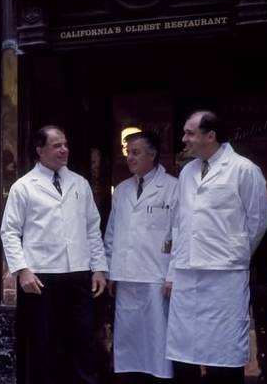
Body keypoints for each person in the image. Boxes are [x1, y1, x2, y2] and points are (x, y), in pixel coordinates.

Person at [166, 111, 267, 383]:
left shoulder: (243, 169)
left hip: (225, 275)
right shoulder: (188, 172)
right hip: (187, 272)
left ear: (210, 135)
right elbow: (179, 223)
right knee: (184, 349)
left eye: (190, 133)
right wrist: (172, 271)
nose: (184, 139)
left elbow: (259, 219)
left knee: (223, 350)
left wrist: (234, 252)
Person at [0, 125, 108, 384]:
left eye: (65, 144)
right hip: (41, 278)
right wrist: (22, 270)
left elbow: (92, 228)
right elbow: (9, 231)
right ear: (40, 150)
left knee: (82, 341)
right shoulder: (23, 187)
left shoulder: (79, 183)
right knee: (43, 344)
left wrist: (99, 268)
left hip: (78, 275)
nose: (64, 150)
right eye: (57, 145)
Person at [104, 131, 177, 382]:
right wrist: (110, 272)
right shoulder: (122, 190)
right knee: (128, 339)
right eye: (128, 153)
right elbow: (112, 232)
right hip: (125, 275)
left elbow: (179, 233)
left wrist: (173, 273)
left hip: (157, 275)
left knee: (158, 338)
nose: (130, 158)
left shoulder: (172, 187)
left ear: (152, 154)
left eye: (136, 152)